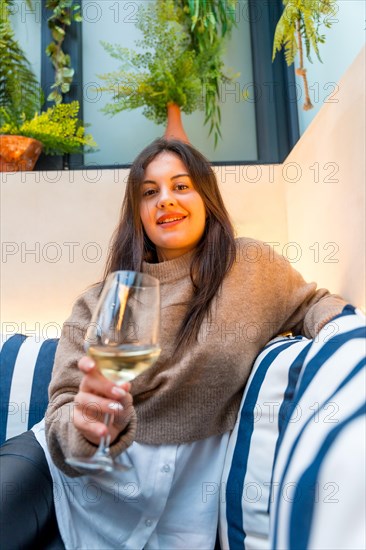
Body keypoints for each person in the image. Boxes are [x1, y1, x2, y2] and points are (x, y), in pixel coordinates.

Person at [1, 138, 346, 549]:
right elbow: (62, 411)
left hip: (177, 509)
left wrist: (349, 336)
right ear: (138, 213)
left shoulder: (251, 268)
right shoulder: (100, 300)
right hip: (63, 480)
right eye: (150, 192)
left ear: (206, 197)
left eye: (181, 186)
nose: (165, 200)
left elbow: (314, 304)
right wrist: (87, 425)